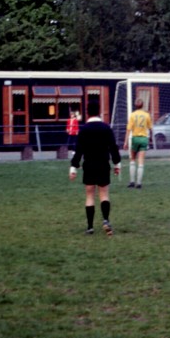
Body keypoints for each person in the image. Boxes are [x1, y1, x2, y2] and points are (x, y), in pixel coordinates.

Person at [70, 99, 122, 236]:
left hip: (89, 165)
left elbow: (78, 150)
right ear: (99, 112)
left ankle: (90, 227)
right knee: (104, 194)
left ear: (87, 113)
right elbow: (113, 148)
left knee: (90, 195)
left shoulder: (84, 130)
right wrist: (117, 164)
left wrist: (73, 167)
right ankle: (106, 220)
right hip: (103, 164)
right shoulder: (106, 128)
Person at [125, 98, 153, 189]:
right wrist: (151, 138)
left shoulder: (132, 115)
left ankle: (132, 182)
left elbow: (128, 129)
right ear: (143, 105)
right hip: (144, 139)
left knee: (132, 159)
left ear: (135, 105)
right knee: (141, 161)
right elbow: (150, 128)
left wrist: (125, 142)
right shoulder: (147, 115)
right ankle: (139, 183)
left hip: (135, 138)